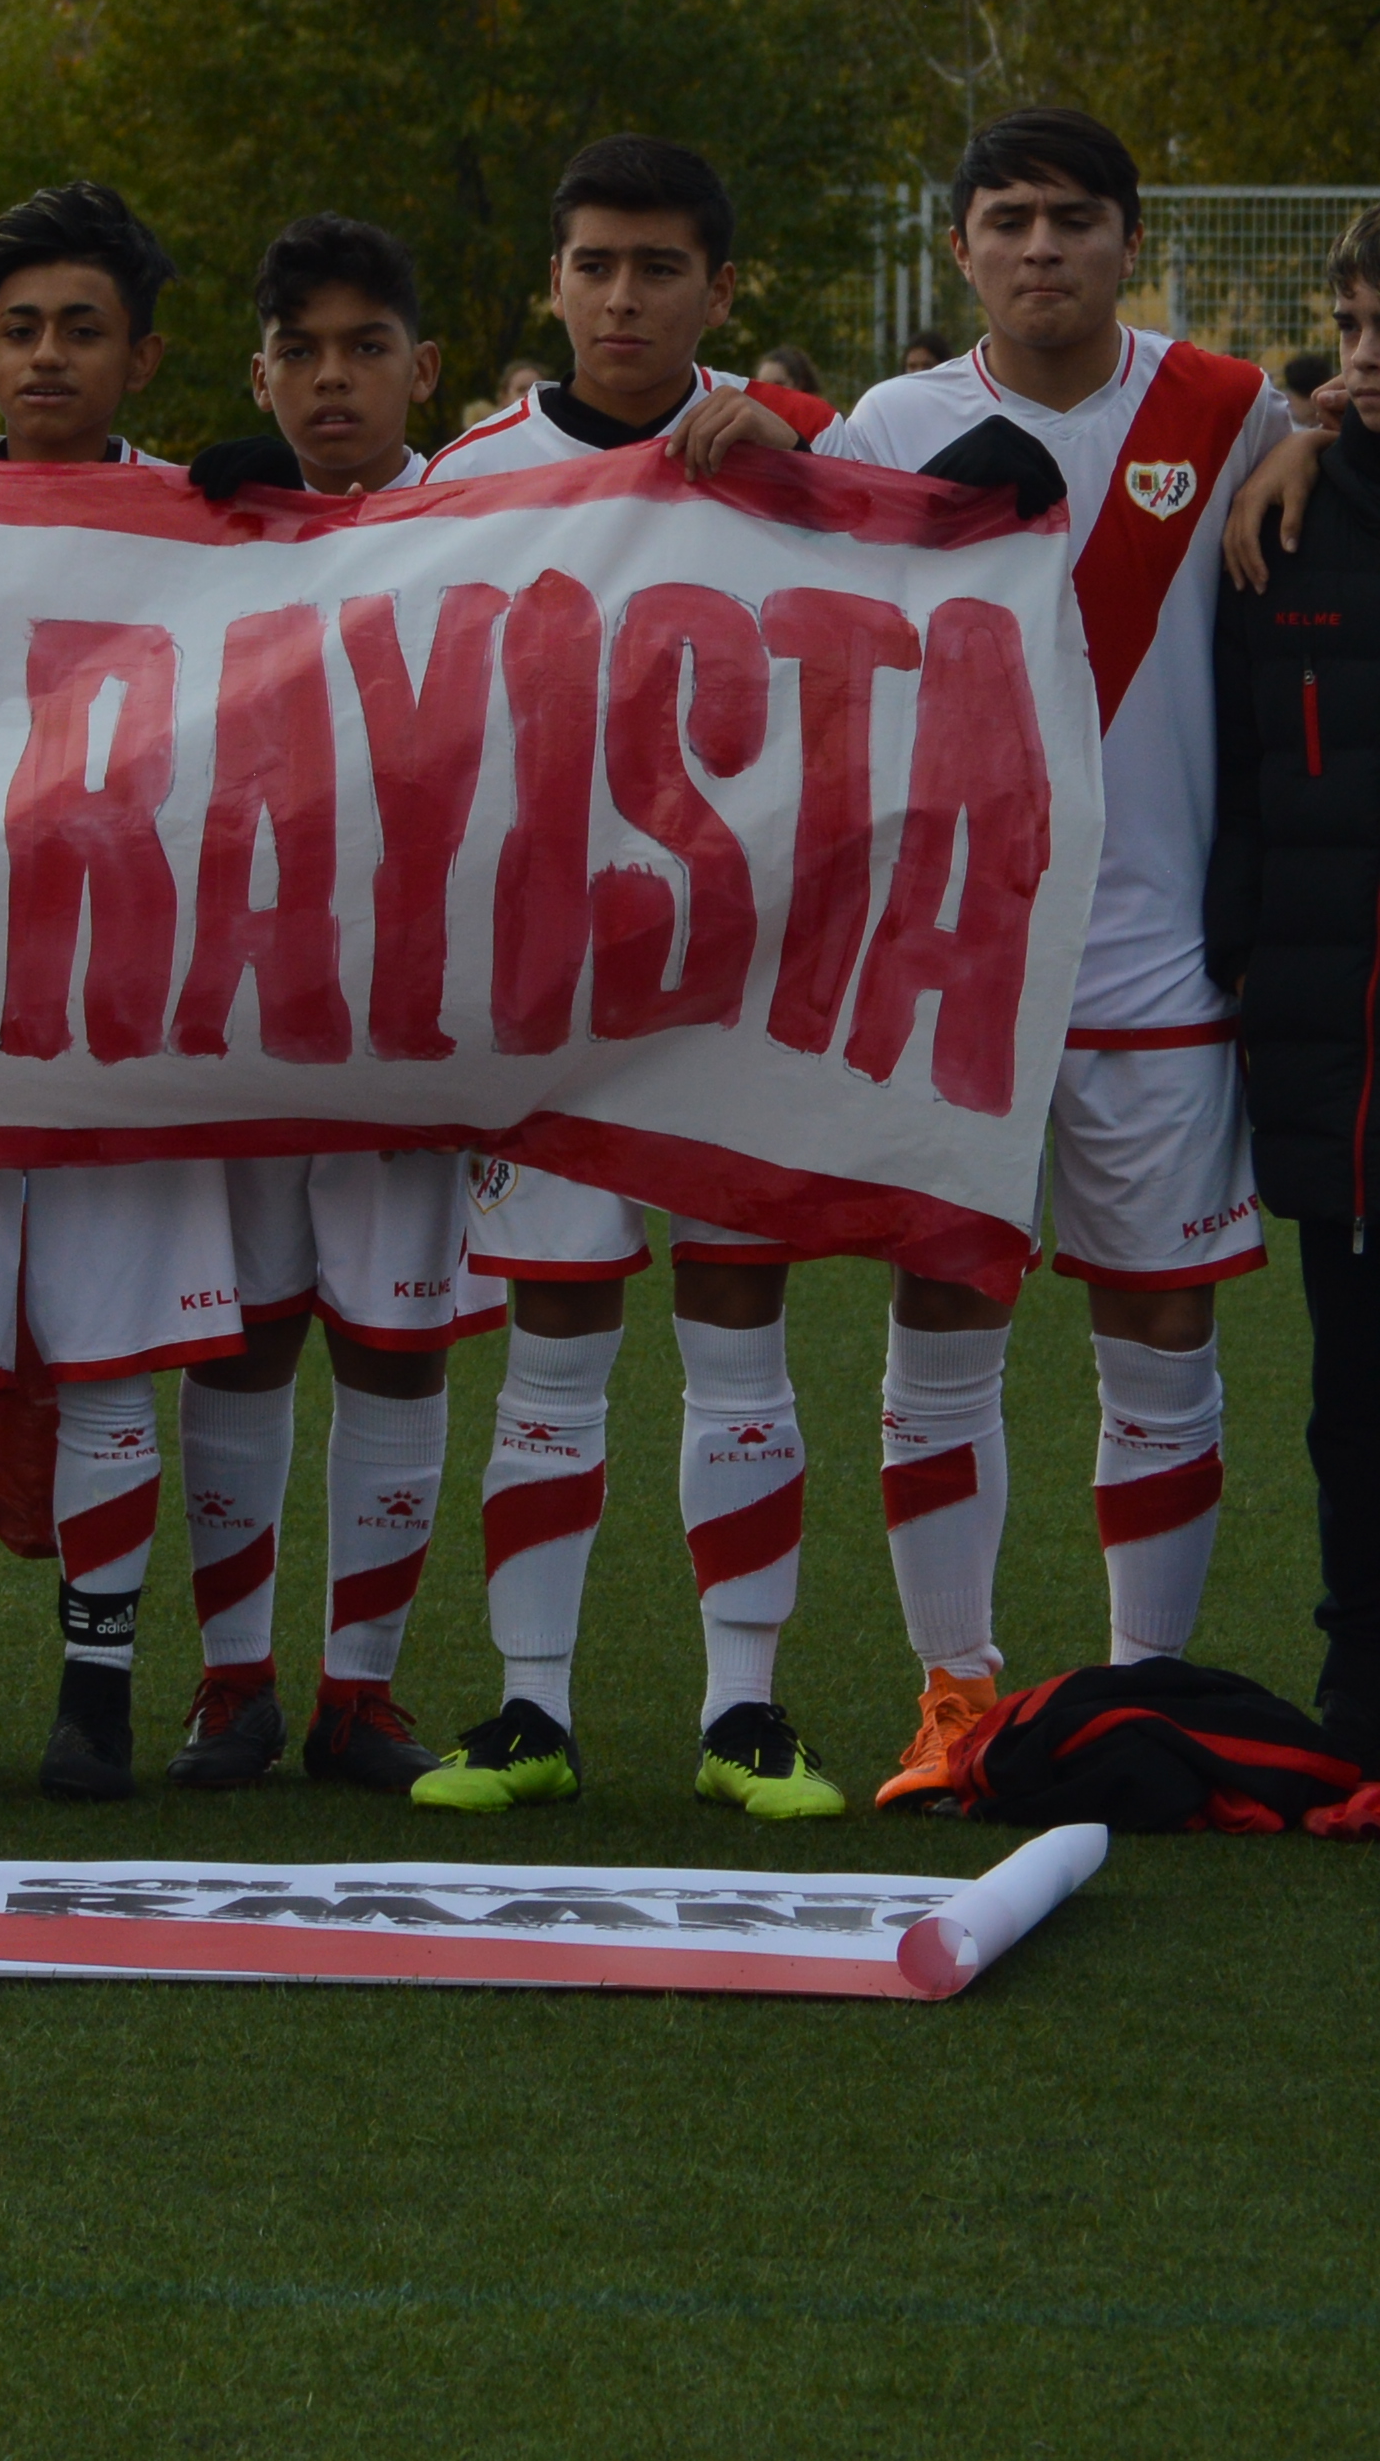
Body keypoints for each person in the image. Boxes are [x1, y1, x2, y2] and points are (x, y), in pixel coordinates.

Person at [691, 108, 1289, 1813]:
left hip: (1159, 962)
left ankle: (1143, 1692)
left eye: (1075, 220)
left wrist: (1314, 433)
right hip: (959, 963)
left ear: (1128, 240)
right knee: (943, 1320)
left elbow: (1333, 454)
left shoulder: (1230, 412)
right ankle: (954, 1698)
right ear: (961, 247)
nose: (1042, 248)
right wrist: (770, 432)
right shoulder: (892, 423)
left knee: (1159, 1337)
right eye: (1010, 220)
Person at [406, 138, 847, 1819]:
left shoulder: (794, 450)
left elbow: (963, 507)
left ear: (719, 292)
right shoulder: (469, 472)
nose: (620, 295)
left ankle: (746, 1713)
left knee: (738, 1321)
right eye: (591, 263)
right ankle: (530, 1712)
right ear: (550, 280)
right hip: (551, 983)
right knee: (555, 1333)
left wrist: (802, 441)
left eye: (658, 267)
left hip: (742, 972)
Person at [0, 181, 247, 1803]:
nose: (47, 356)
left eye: (82, 329)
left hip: (128, 1005)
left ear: (142, 353)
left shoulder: (212, 517)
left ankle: (95, 1696)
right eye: (19, 329)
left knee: (106, 1362)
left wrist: (280, 511)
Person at [161, 216, 474, 1797]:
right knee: (242, 1337)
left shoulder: (502, 513)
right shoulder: (187, 518)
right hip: (234, 1003)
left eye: (366, 347)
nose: (332, 377)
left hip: (416, 1015)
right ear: (259, 369)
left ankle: (362, 1686)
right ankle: (234, 1681)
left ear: (422, 367)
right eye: (300, 349)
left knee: (398, 1348)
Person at [1210, 200, 1380, 1760]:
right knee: (1351, 1410)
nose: (1371, 363)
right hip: (1341, 1048)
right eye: (1353, 332)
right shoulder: (1285, 517)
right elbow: (1251, 795)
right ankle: (1363, 1703)